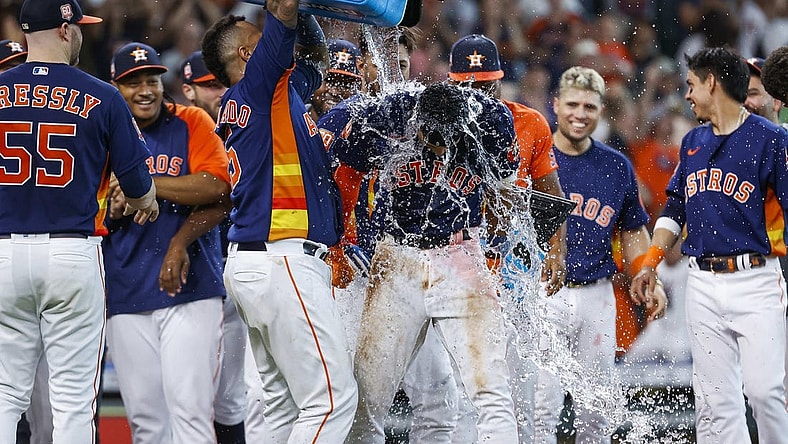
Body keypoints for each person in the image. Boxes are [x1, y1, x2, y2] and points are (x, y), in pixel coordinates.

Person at [319, 81, 521, 443]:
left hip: (460, 255)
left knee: (491, 392)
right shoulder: (387, 114)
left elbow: (505, 188)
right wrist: (338, 241)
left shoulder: (491, 119)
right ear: (419, 122)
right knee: (366, 399)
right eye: (434, 138)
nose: (441, 149)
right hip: (397, 258)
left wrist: (494, 250)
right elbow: (347, 172)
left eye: (448, 140)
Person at [0, 0, 159, 440]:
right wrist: (147, 201)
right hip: (71, 251)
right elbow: (140, 185)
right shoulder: (102, 94)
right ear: (66, 30)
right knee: (72, 398)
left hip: (4, 251)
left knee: (4, 393)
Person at [200, 2, 359, 442]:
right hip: (283, 259)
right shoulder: (258, 85)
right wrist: (296, 7)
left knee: (284, 407)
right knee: (332, 402)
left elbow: (315, 58)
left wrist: (309, 14)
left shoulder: (270, 94)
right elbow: (284, 8)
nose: (269, 35)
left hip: (255, 261)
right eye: (259, 33)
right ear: (249, 55)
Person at [631, 47, 788, 444]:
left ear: (712, 82)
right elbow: (675, 207)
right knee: (717, 403)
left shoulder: (772, 139)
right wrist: (649, 262)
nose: (687, 94)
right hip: (700, 281)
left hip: (755, 279)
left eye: (692, 84)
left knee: (766, 393)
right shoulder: (693, 141)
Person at [103, 41, 231, 444]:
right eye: (132, 82)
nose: (145, 90)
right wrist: (114, 207)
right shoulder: (101, 131)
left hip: (190, 291)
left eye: (151, 80)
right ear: (114, 87)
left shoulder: (191, 121)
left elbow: (218, 187)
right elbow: (89, 207)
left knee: (191, 417)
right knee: (146, 424)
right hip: (125, 290)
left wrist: (146, 188)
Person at [532, 66, 666, 444]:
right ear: (555, 104)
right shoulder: (536, 157)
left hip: (596, 295)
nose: (579, 113)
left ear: (601, 110)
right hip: (544, 294)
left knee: (598, 409)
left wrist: (646, 273)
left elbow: (633, 230)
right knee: (542, 406)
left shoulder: (614, 165)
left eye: (589, 106)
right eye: (572, 104)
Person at [446, 33, 568, 443]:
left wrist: (556, 249)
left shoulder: (528, 122)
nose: (478, 93)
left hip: (514, 265)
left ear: (498, 81)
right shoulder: (437, 124)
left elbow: (552, 196)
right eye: (468, 86)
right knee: (464, 393)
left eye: (485, 85)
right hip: (459, 262)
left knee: (520, 391)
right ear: (453, 82)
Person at [181, 49, 261, 444]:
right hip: (199, 275)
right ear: (190, 91)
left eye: (219, 84)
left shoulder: (252, 121)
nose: (216, 92)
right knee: (191, 396)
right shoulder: (180, 133)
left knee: (235, 395)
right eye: (207, 85)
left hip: (246, 263)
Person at [309, 38, 363, 120]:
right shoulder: (291, 116)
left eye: (345, 85)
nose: (334, 92)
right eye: (329, 80)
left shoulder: (364, 128)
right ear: (312, 80)